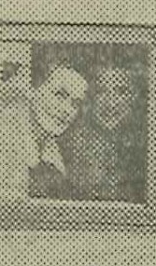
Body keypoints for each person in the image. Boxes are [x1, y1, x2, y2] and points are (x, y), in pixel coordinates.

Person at [61, 62, 144, 201]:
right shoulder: (74, 148)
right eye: (101, 91)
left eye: (121, 92)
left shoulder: (143, 150)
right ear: (89, 98)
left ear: (133, 97)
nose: (110, 103)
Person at [23, 61, 88, 199]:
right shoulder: (1, 144)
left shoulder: (60, 161)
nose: (67, 110)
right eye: (60, 95)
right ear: (33, 90)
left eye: (75, 103)